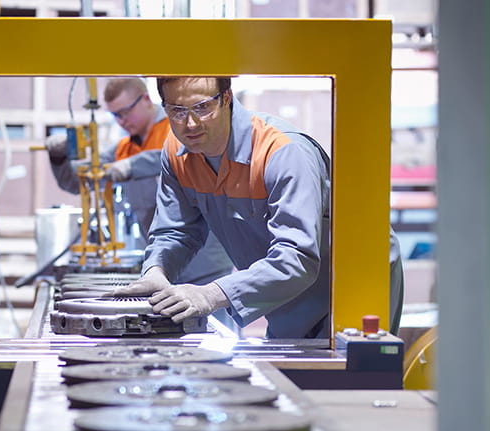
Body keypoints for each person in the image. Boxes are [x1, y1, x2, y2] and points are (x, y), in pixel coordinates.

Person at [113, 76, 404, 338]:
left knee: (346, 372)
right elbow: (176, 231)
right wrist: (156, 270)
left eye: (202, 108)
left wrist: (211, 294)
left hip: (352, 283)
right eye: (177, 111)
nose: (190, 124)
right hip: (286, 292)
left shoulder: (282, 152)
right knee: (290, 372)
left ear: (226, 98)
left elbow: (297, 257)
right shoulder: (177, 154)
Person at [44, 77, 234, 289]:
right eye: (116, 115)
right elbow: (81, 181)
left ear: (145, 99)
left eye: (125, 112)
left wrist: (133, 165)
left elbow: (173, 154)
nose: (122, 121)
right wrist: (59, 158)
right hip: (163, 263)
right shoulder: (123, 149)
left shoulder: (181, 128)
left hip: (205, 263)